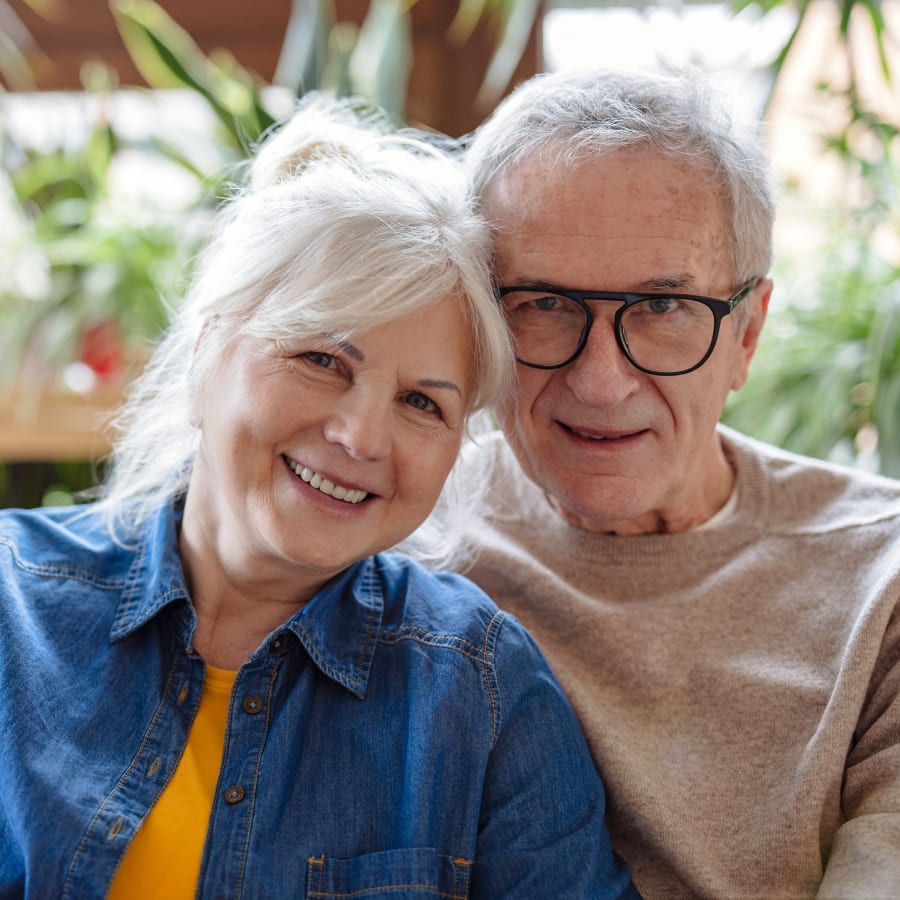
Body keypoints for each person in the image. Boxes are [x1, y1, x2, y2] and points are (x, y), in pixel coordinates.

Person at [0, 97, 638, 899]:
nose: (362, 437)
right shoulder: (12, 601)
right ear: (209, 350)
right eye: (322, 359)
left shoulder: (479, 692)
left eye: (421, 403)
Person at [431, 66, 900, 898]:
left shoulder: (882, 578)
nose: (601, 381)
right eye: (543, 303)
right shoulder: (402, 546)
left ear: (746, 335)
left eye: (662, 307)